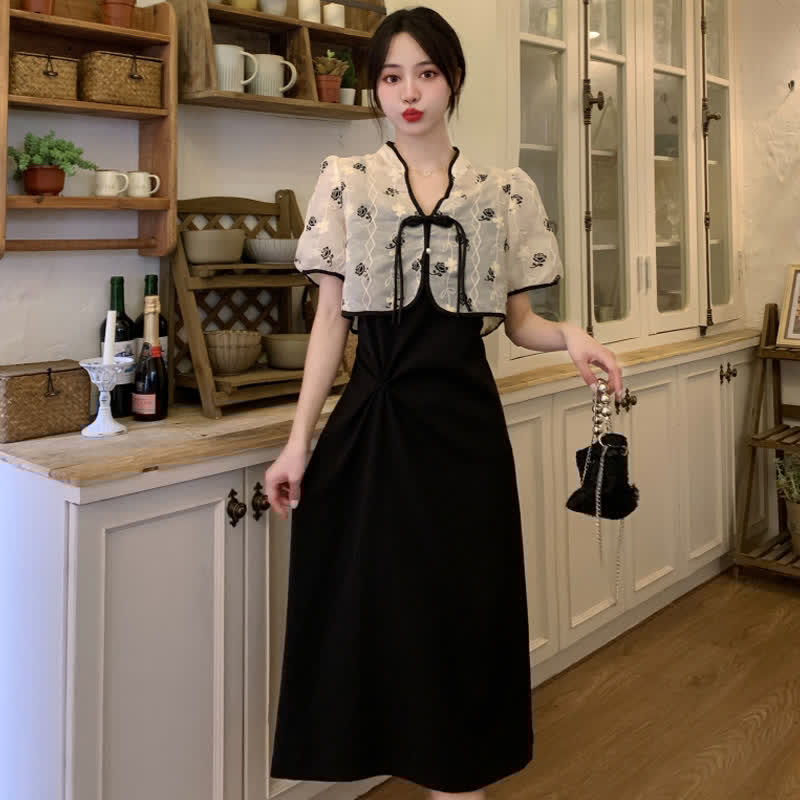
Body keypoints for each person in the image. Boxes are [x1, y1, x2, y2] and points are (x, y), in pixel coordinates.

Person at [266, 7, 623, 799]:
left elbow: (519, 323)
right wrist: (298, 442)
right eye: (392, 77)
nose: (409, 93)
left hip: (464, 435)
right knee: (374, 616)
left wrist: (572, 337)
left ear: (453, 79)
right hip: (372, 428)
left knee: (463, 618)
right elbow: (331, 321)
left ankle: (459, 784)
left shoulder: (504, 191)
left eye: (425, 73)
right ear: (375, 89)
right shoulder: (346, 181)